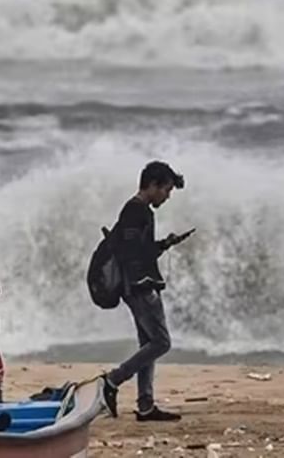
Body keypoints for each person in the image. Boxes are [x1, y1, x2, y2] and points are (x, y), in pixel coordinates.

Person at [100, 161, 193, 421]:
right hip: (140, 286)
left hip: (139, 284)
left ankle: (145, 405)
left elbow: (138, 250)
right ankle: (113, 380)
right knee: (161, 342)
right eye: (166, 190)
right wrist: (142, 285)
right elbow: (130, 254)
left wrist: (165, 243)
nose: (167, 196)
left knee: (147, 344)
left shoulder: (139, 211)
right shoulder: (135, 210)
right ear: (152, 185)